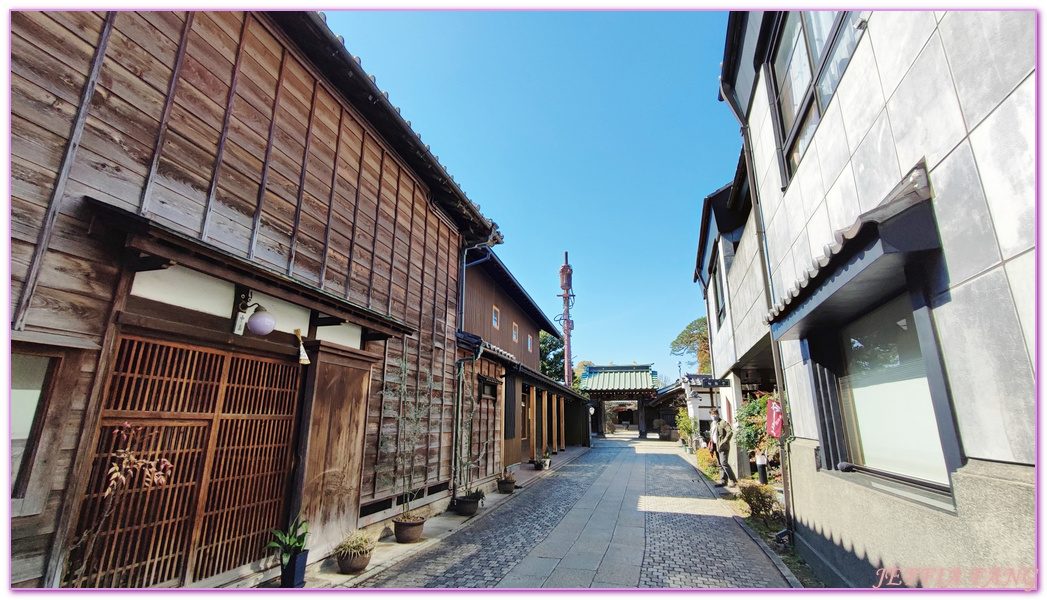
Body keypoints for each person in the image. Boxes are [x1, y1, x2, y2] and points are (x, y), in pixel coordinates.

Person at [709, 408, 738, 488]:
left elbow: (730, 432)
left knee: (724, 463)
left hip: (723, 446)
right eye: (712, 414)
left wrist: (724, 441)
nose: (714, 416)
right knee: (720, 464)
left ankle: (733, 480)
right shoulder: (712, 424)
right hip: (716, 446)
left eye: (715, 414)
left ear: (718, 414)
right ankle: (723, 481)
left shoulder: (723, 423)